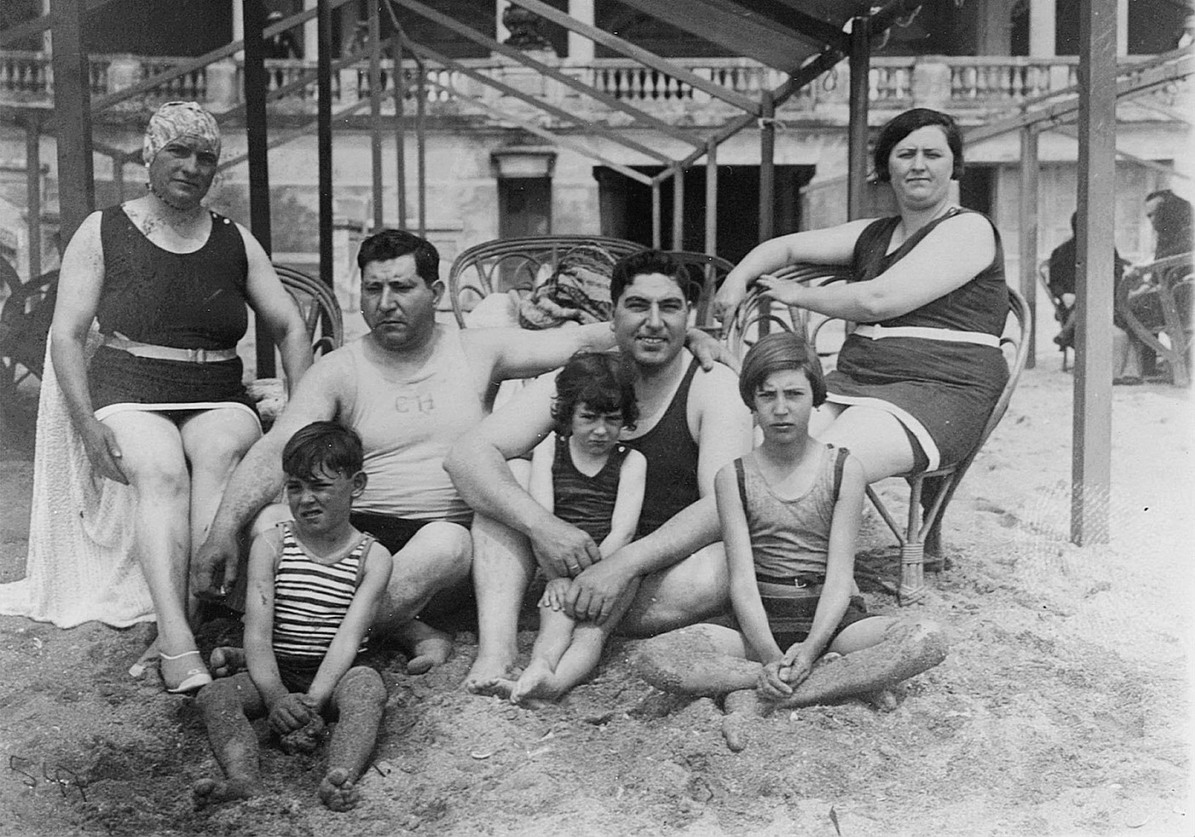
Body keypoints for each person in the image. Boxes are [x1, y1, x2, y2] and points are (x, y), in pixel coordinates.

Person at [193, 231, 726, 676]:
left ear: (435, 291)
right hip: (354, 531)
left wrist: (687, 332)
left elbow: (592, 336)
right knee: (264, 519)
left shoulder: (477, 349)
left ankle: (292, 648)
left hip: (437, 542)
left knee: (448, 541)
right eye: (374, 289)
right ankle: (391, 631)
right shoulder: (341, 369)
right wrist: (222, 529)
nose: (387, 303)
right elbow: (277, 448)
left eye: (402, 287)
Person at [0, 102, 313, 693]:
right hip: (131, 388)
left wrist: (299, 415)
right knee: (163, 470)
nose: (192, 167)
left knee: (220, 452)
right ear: (150, 155)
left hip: (217, 389)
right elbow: (65, 335)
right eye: (178, 152)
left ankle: (204, 616)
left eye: (205, 157)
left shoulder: (232, 239)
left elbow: (291, 328)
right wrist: (87, 424)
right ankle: (176, 638)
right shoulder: (104, 229)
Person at [446, 250, 753, 693]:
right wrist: (542, 527)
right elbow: (467, 455)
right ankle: (498, 651)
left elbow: (720, 507)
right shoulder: (586, 373)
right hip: (568, 556)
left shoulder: (711, 384)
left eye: (669, 308)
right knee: (503, 475)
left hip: (657, 571)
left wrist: (624, 563)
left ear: (689, 315)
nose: (653, 322)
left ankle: (574, 622)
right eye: (636, 306)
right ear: (612, 314)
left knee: (724, 563)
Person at [631, 333, 947, 751]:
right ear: (752, 404)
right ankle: (825, 682)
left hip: (830, 621)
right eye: (768, 396)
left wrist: (813, 648)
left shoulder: (842, 468)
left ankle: (779, 692)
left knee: (927, 638)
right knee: (656, 658)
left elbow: (839, 577)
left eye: (794, 394)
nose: (781, 409)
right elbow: (741, 581)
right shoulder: (734, 478)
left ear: (815, 398)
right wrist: (767, 657)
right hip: (758, 620)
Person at [714, 108, 1009, 496]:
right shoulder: (875, 233)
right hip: (858, 381)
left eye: (933, 155)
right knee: (758, 454)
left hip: (941, 386)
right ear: (887, 165)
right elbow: (786, 247)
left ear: (954, 165)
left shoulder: (970, 229)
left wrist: (801, 296)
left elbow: (877, 301)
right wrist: (737, 277)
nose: (919, 166)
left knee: (821, 468)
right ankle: (758, 552)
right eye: (905, 154)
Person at [193, 422, 391, 812]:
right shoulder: (272, 544)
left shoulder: (373, 558)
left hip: (336, 674)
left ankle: (340, 775)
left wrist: (314, 701)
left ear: (357, 484)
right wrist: (276, 697)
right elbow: (257, 635)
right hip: (276, 669)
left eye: (320, 486)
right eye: (295, 487)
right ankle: (243, 776)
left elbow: (348, 640)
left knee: (367, 689)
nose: (305, 499)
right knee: (215, 695)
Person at [485, 351, 647, 704]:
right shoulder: (549, 451)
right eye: (588, 417)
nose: (601, 430)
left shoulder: (631, 462)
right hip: (558, 568)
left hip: (612, 571)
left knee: (590, 634)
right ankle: (537, 671)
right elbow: (544, 522)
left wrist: (593, 579)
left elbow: (624, 532)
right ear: (568, 413)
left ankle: (557, 685)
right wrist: (556, 576)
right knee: (554, 624)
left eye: (613, 419)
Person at [1046, 212, 1136, 381]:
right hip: (1074, 305)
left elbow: (1117, 275)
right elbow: (1055, 282)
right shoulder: (1063, 251)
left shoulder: (1108, 249)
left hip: (1106, 302)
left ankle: (1065, 334)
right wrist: (1063, 294)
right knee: (1085, 305)